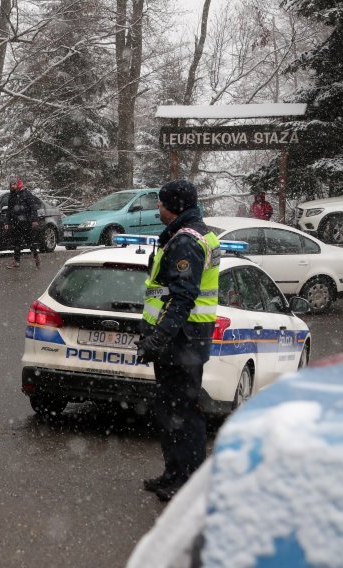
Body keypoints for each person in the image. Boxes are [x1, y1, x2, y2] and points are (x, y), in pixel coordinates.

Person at [135, 179, 220, 502]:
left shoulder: (186, 242)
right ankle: (173, 474)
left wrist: (158, 338)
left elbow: (183, 298)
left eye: (161, 203)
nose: (158, 208)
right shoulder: (187, 235)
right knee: (170, 410)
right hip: (181, 341)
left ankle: (187, 485)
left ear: (176, 207)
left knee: (183, 413)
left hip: (183, 341)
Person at [3, 176, 41, 269]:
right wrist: (7, 222)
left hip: (26, 222)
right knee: (16, 242)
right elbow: (9, 210)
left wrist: (34, 220)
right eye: (11, 184)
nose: (13, 186)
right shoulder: (11, 196)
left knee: (30, 241)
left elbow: (33, 208)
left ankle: (36, 257)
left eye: (14, 184)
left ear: (18, 184)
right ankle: (16, 262)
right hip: (15, 223)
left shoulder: (26, 194)